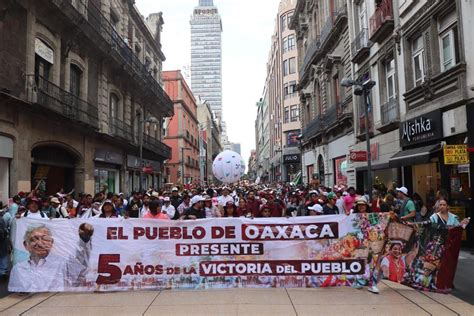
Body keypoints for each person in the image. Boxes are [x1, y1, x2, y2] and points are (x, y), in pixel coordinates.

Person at [8, 223, 94, 292]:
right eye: (34, 239)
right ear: (26, 245)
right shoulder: (18, 269)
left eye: (45, 239)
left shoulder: (63, 264)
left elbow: (81, 264)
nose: (40, 243)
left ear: (51, 243)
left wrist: (84, 240)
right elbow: (16, 294)